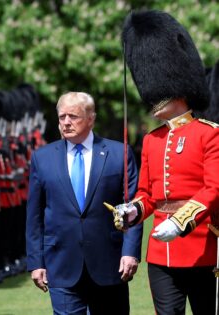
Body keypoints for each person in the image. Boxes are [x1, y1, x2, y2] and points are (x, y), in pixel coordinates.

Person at [115, 10, 219, 315]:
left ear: (179, 88)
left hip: (202, 247)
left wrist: (181, 220)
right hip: (161, 252)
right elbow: (147, 194)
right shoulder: (152, 139)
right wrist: (134, 210)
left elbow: (213, 188)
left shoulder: (209, 134)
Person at [26, 91, 143, 315]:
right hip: (61, 263)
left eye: (73, 116)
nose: (66, 122)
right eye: (62, 117)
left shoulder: (118, 153)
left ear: (91, 118)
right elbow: (34, 215)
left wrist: (131, 252)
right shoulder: (42, 158)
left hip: (110, 264)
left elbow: (133, 208)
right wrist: (35, 262)